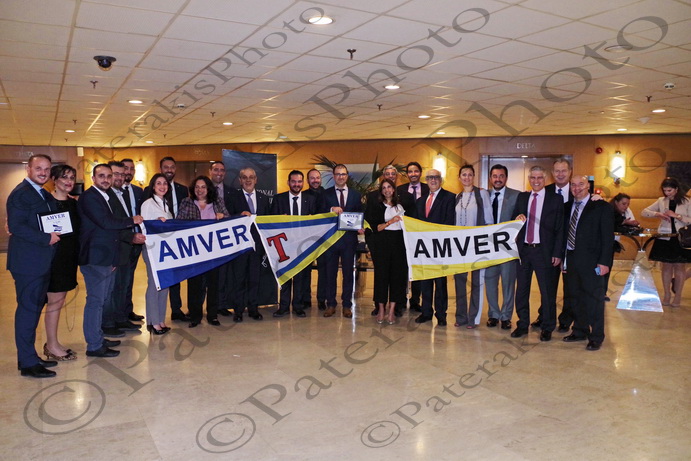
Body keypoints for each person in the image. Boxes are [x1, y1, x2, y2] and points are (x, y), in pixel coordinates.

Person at [78, 164, 143, 358]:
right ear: (93, 178)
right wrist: (132, 220)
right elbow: (106, 223)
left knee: (103, 299)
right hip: (95, 258)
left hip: (106, 258)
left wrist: (114, 258)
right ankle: (94, 345)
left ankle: (98, 337)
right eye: (101, 176)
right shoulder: (90, 197)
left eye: (108, 176)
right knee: (96, 301)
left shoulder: (103, 196)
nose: (106, 179)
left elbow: (109, 231)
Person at [7, 154, 61, 378]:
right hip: (28, 263)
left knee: (34, 310)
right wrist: (46, 238)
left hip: (40, 262)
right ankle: (28, 363)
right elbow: (16, 226)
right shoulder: (21, 193)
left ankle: (29, 356)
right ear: (28, 169)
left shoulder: (42, 193)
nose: (43, 172)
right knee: (28, 312)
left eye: (47, 169)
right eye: (38, 168)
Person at [511, 165, 564, 341]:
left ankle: (547, 327)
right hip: (524, 250)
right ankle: (522, 324)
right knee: (522, 290)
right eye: (533, 178)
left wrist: (557, 253)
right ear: (529, 179)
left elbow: (560, 228)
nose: (536, 181)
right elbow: (513, 220)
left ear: (545, 179)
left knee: (547, 292)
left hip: (544, 251)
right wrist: (516, 219)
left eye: (539, 178)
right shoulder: (522, 197)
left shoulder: (555, 199)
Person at [562, 175, 614, 351]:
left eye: (581, 184)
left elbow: (607, 238)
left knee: (594, 300)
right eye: (573, 185)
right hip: (571, 259)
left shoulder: (601, 207)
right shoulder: (566, 207)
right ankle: (579, 330)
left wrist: (604, 262)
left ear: (588, 187)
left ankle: (596, 336)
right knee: (575, 298)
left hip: (593, 262)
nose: (577, 188)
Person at [177, 175, 230, 327]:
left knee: (213, 284)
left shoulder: (217, 202)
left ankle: (212, 315)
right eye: (197, 187)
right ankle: (195, 316)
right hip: (194, 250)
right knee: (194, 285)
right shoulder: (186, 202)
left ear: (208, 189)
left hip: (214, 250)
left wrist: (223, 216)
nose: (200, 190)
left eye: (203, 187)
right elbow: (179, 221)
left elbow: (229, 219)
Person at [100, 161, 144, 337]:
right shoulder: (105, 196)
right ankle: (109, 323)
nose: (119, 177)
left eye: (121, 173)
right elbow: (112, 223)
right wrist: (131, 236)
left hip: (125, 247)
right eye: (115, 174)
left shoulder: (122, 193)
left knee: (122, 285)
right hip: (114, 248)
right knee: (111, 289)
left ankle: (121, 318)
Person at [366, 165, 415, 317]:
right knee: (381, 276)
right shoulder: (375, 201)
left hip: (399, 244)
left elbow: (412, 222)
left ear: (394, 188)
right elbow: (372, 225)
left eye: (393, 174)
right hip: (381, 243)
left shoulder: (404, 201)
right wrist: (389, 222)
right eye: (384, 187)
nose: (387, 189)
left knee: (397, 277)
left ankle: (394, 308)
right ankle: (380, 308)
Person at [43, 164, 80, 361]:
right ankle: (51, 345)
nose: (68, 181)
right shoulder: (46, 203)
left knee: (59, 300)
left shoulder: (74, 203)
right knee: (54, 302)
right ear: (54, 180)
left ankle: (54, 343)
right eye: (64, 177)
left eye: (72, 178)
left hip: (69, 258)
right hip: (52, 259)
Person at [271, 170, 317, 318]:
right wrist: (280, 219)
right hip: (284, 245)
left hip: (303, 245)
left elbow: (317, 222)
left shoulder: (310, 199)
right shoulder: (279, 199)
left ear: (303, 183)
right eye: (294, 181)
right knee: (285, 275)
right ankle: (283, 306)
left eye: (299, 181)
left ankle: (298, 306)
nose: (296, 184)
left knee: (300, 277)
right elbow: (271, 221)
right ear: (288, 182)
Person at [322, 164, 365, 319]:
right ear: (333, 176)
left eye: (343, 174)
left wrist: (360, 226)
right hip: (331, 240)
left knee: (348, 274)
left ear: (347, 176)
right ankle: (331, 304)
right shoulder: (325, 194)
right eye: (338, 174)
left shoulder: (355, 194)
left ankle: (347, 305)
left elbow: (360, 213)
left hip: (349, 240)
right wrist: (330, 210)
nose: (340, 177)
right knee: (330, 273)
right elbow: (318, 213)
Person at [453, 164, 492, 329]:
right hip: (459, 245)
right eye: (464, 174)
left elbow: (489, 219)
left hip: (477, 243)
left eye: (470, 174)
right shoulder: (457, 196)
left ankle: (473, 318)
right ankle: (461, 316)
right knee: (459, 281)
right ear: (459, 177)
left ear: (474, 177)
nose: (467, 177)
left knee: (477, 282)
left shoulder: (482, 194)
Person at [414, 169, 455, 326]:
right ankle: (426, 312)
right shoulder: (420, 201)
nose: (433, 180)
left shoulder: (449, 197)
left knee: (440, 283)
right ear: (426, 180)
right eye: (430, 177)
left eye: (436, 177)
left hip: (440, 246)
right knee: (425, 281)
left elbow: (449, 222)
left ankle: (441, 314)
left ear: (441, 180)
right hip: (424, 247)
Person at [229, 167, 270, 322]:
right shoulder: (233, 197)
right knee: (239, 279)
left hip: (257, 246)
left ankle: (253, 309)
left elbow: (268, 221)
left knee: (254, 278)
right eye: (244, 177)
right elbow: (227, 219)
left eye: (251, 177)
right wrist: (238, 216)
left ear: (256, 180)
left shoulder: (263, 198)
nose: (248, 180)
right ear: (240, 180)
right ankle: (238, 310)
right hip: (239, 246)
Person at [642, 177, 691, 307]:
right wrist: (658, 214)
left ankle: (678, 296)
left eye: (670, 190)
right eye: (665, 190)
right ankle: (667, 294)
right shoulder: (661, 201)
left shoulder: (687, 201)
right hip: (665, 237)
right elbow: (644, 212)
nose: (667, 193)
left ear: (676, 189)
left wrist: (677, 216)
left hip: (680, 238)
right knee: (666, 267)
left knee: (679, 267)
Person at [484, 164, 520, 331]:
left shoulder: (516, 196)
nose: (498, 179)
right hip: (488, 247)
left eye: (501, 176)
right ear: (490, 178)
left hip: (507, 248)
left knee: (508, 283)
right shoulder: (484, 196)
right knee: (490, 282)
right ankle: (493, 314)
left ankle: (506, 316)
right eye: (495, 176)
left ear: (506, 178)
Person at [542, 158, 573, 332]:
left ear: (570, 172)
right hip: (550, 249)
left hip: (571, 249)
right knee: (547, 287)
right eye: (557, 171)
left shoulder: (578, 191)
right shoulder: (544, 191)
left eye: (564, 171)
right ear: (552, 173)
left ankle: (566, 320)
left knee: (569, 288)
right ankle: (544, 317)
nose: (560, 174)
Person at [140, 174, 174, 334]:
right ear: (153, 186)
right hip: (152, 249)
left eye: (165, 183)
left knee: (164, 284)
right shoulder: (148, 203)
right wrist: (156, 222)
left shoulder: (166, 204)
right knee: (155, 284)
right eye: (158, 183)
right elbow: (145, 226)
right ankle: (153, 322)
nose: (162, 186)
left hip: (166, 250)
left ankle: (160, 319)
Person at [159, 156, 190, 322]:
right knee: (164, 277)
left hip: (180, 238)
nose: (169, 170)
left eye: (172, 167)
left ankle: (176, 310)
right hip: (161, 240)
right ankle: (158, 314)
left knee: (177, 276)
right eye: (166, 167)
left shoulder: (183, 189)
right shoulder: (152, 190)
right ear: (161, 169)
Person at [397, 161, 429, 312]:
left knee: (418, 267)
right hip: (404, 234)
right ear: (407, 174)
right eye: (410, 171)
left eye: (416, 171)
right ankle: (402, 299)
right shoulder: (399, 190)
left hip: (423, 234)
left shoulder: (428, 188)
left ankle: (416, 300)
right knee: (403, 267)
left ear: (420, 173)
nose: (413, 174)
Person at [209, 161, 236, 318]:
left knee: (224, 274)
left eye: (222, 170)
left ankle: (221, 304)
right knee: (206, 275)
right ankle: (200, 307)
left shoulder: (232, 192)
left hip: (226, 238)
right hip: (207, 239)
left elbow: (233, 213)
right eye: (216, 170)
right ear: (210, 171)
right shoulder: (202, 189)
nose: (219, 173)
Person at [120, 158, 145, 322]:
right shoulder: (113, 192)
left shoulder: (138, 191)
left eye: (131, 169)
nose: (128, 172)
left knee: (130, 278)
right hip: (122, 241)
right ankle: (120, 314)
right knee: (121, 280)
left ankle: (128, 310)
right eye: (125, 168)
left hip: (137, 242)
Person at [303, 168, 327, 310]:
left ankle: (321, 299)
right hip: (306, 239)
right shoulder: (302, 195)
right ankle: (305, 298)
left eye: (317, 178)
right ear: (307, 180)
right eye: (312, 178)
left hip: (324, 238)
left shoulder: (328, 195)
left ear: (321, 179)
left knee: (323, 270)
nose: (315, 180)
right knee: (305, 269)